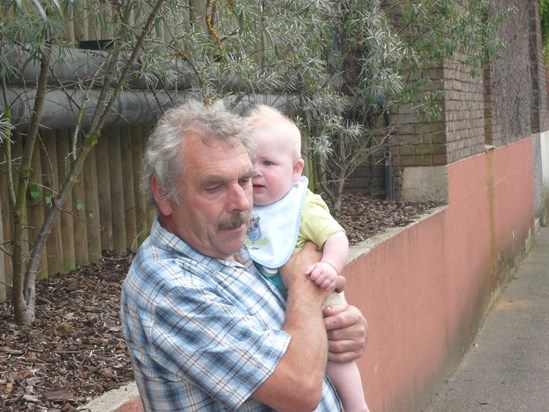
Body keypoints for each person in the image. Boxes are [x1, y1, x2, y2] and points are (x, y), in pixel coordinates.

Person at [120, 99, 368, 411]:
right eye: (214, 187)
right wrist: (307, 285)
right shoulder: (168, 286)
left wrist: (341, 330)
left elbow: (295, 327)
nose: (241, 202)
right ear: (164, 193)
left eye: (245, 180)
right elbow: (301, 389)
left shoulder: (228, 242)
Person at [244, 105, 369, 412]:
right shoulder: (245, 205)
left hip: (317, 288)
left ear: (296, 170)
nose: (256, 171)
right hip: (278, 297)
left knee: (336, 358)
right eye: (250, 163)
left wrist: (329, 266)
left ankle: (358, 406)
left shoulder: (304, 206)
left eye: (269, 163)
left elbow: (336, 237)